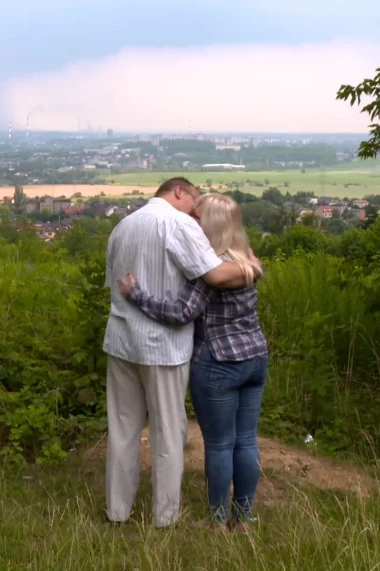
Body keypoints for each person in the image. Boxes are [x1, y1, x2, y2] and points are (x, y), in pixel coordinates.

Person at [102, 177, 261, 529]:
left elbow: (112, 281)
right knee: (168, 431)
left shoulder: (123, 225)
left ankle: (117, 510)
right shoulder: (178, 225)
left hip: (121, 339)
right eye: (194, 202)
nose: (195, 213)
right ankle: (165, 516)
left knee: (123, 427)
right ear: (179, 192)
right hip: (164, 346)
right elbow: (216, 274)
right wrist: (254, 267)